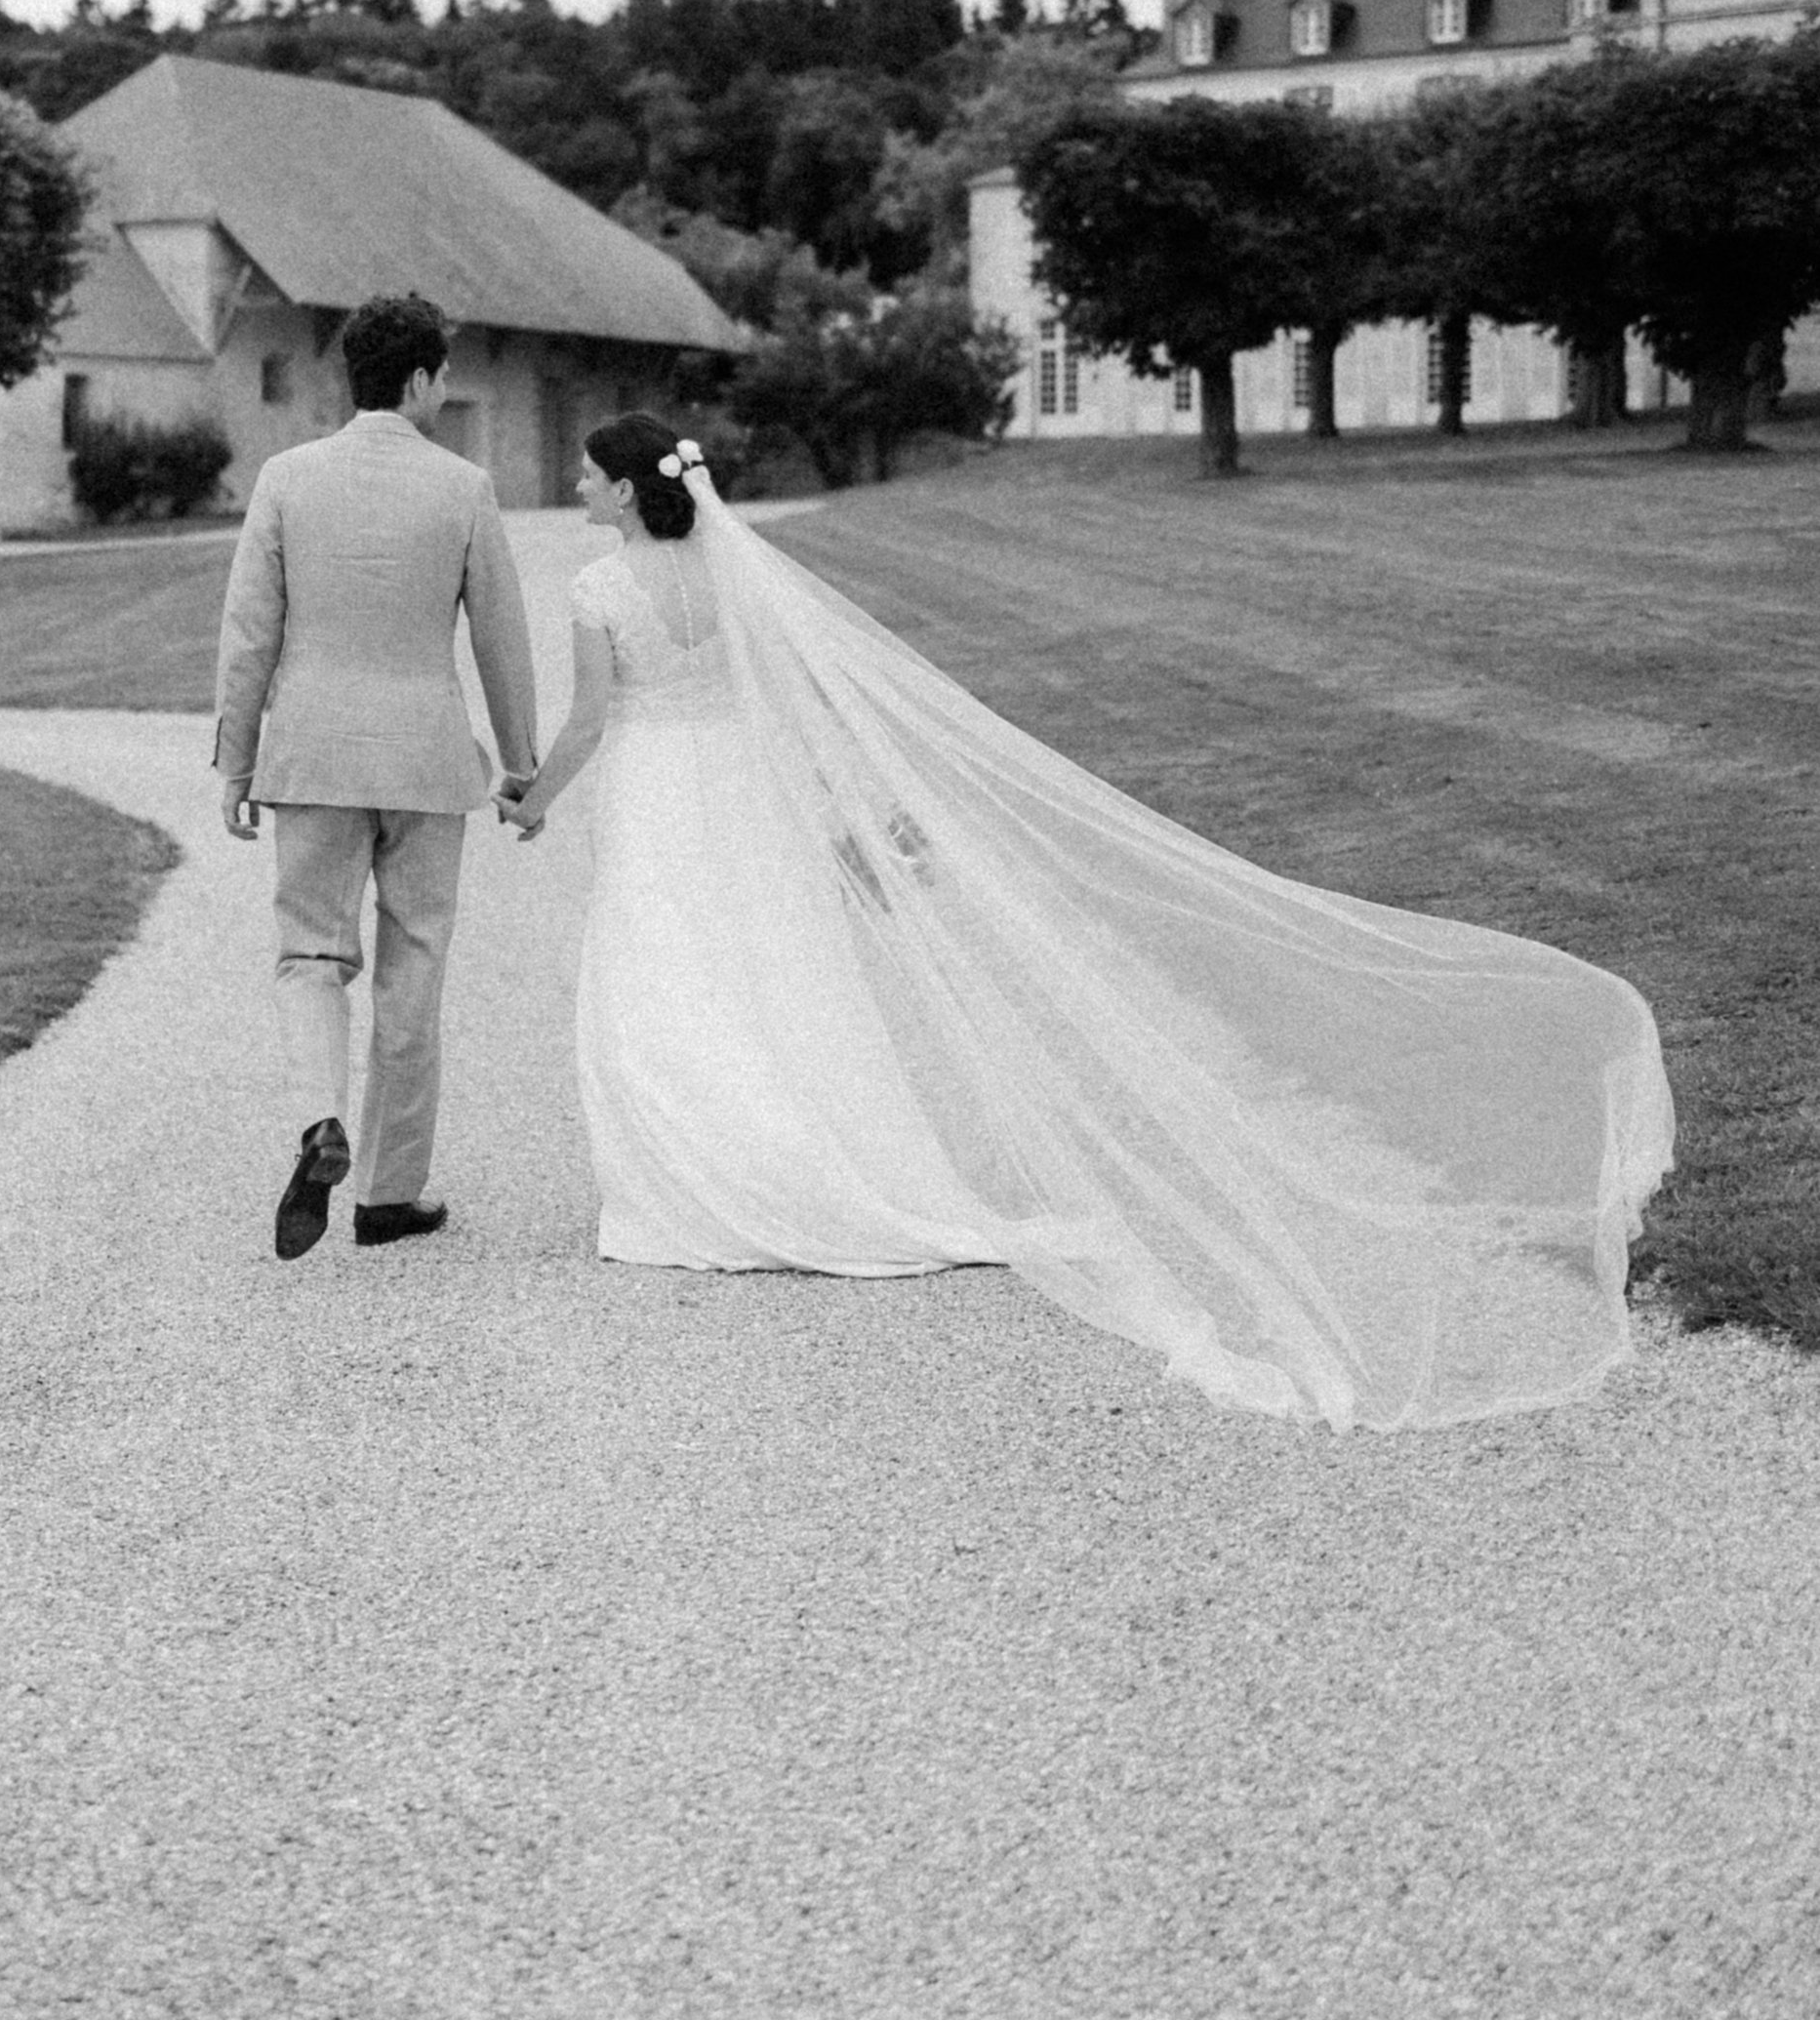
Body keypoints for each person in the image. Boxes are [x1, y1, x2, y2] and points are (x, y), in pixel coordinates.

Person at [498, 414, 1675, 1431]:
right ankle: (817, 1163)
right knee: (779, 973)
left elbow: (593, 722)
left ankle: (698, 1185)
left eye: (595, 477)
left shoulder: (600, 587)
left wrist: (530, 801)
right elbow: (796, 703)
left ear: (621, 486)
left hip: (663, 796)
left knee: (669, 975)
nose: (586, 491)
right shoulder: (729, 571)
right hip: (743, 792)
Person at [216, 291, 539, 1261]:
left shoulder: (284, 478)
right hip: (426, 760)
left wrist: (235, 758)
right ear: (419, 380)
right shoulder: (463, 488)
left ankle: (322, 1120)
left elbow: (247, 635)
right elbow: (499, 636)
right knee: (414, 964)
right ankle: (391, 1196)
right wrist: (519, 763)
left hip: (310, 755)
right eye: (441, 375)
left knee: (310, 952)